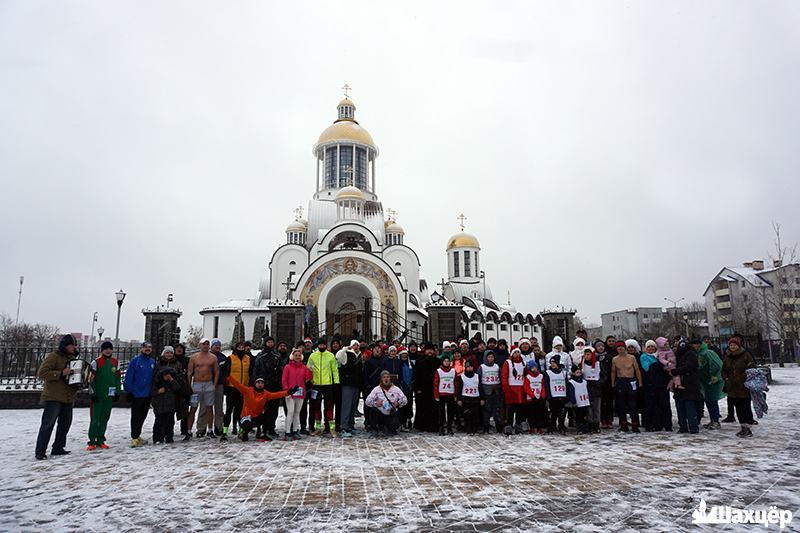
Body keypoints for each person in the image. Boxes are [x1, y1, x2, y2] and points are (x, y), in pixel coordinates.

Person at [35, 334, 79, 460]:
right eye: (71, 345)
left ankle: (58, 447)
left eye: (75, 345)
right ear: (65, 345)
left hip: (68, 397)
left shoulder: (73, 359)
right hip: (53, 396)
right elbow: (42, 373)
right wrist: (60, 373)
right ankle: (40, 451)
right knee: (48, 424)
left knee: (65, 424)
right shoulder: (54, 356)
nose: (73, 347)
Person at [225, 374, 295, 441]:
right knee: (247, 426)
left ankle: (263, 433)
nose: (260, 384)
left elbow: (276, 394)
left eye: (262, 383)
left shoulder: (266, 394)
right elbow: (237, 384)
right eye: (258, 383)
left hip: (257, 417)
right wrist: (228, 376)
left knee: (270, 414)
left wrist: (288, 392)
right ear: (255, 384)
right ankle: (243, 433)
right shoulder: (247, 391)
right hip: (246, 417)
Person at [86, 341, 121, 450]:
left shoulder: (115, 362)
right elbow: (91, 379)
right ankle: (91, 441)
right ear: (102, 350)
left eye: (110, 348)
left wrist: (117, 392)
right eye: (106, 348)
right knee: (95, 419)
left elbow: (117, 379)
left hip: (109, 396)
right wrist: (93, 393)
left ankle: (100, 440)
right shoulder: (96, 362)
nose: (108, 350)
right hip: (98, 395)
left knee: (104, 419)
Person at [722, 335, 756, 437]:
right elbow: (723, 370)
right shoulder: (727, 356)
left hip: (743, 386)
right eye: (731, 345)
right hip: (732, 386)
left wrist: (747, 379)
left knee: (744, 407)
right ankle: (743, 427)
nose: (732, 347)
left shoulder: (745, 355)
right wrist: (726, 378)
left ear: (738, 345)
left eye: (734, 345)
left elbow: (752, 369)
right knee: (738, 408)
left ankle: (747, 428)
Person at [254, 338, 288, 439]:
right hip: (263, 386)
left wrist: (278, 381)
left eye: (272, 342)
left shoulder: (277, 356)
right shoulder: (260, 355)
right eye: (268, 342)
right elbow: (256, 369)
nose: (270, 344)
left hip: (275, 386)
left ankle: (271, 427)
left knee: (273, 409)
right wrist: (257, 382)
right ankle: (260, 428)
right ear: (265, 343)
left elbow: (281, 370)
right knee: (261, 408)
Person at [186, 338, 220, 440]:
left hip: (208, 384)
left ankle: (210, 430)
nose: (206, 346)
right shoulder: (194, 357)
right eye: (204, 344)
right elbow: (189, 372)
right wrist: (190, 385)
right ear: (200, 345)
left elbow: (217, 371)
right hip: (197, 385)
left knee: (209, 408)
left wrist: (214, 385)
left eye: (207, 344)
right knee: (193, 408)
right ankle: (188, 431)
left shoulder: (213, 357)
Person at [124, 342, 157, 447]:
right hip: (137, 393)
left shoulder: (152, 362)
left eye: (150, 347)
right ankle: (134, 436)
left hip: (147, 394)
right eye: (146, 347)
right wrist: (128, 390)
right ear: (142, 349)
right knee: (136, 416)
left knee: (143, 415)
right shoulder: (135, 361)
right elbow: (129, 376)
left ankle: (137, 435)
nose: (148, 349)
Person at [308, 338, 339, 437]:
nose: (321, 346)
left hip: (328, 385)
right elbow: (308, 369)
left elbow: (334, 369)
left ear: (326, 346)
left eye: (323, 345)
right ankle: (318, 428)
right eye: (320, 345)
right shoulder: (313, 356)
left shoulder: (330, 356)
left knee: (329, 407)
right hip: (316, 385)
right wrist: (310, 380)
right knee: (316, 407)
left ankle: (331, 428)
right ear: (317, 345)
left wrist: (336, 382)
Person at [151, 346, 182, 444]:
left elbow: (178, 385)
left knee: (170, 420)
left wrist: (171, 379)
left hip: (170, 398)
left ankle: (169, 437)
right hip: (160, 398)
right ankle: (157, 437)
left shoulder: (177, 364)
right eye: (167, 353)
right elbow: (154, 381)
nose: (169, 355)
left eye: (171, 353)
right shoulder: (158, 364)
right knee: (159, 420)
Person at [223, 340, 253, 441]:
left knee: (240, 411)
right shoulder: (230, 358)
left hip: (243, 389)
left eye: (242, 347)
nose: (241, 349)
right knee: (229, 411)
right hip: (232, 388)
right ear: (235, 348)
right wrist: (226, 387)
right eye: (239, 347)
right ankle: (225, 432)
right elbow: (226, 374)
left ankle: (241, 431)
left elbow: (250, 373)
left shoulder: (248, 359)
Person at [670, 340, 701, 434]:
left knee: (690, 407)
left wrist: (675, 371)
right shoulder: (676, 355)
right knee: (680, 408)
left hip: (689, 385)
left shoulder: (691, 354)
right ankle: (683, 427)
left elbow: (689, 366)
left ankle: (693, 427)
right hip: (679, 386)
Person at [640, 340, 672, 432]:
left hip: (662, 385)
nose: (650, 348)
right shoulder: (644, 357)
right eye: (648, 347)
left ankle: (667, 425)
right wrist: (661, 364)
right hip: (651, 385)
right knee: (651, 406)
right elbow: (648, 368)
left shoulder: (660, 355)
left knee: (665, 405)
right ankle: (651, 425)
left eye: (652, 347)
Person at [611, 341, 642, 433]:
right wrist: (613, 383)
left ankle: (635, 424)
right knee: (621, 404)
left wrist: (640, 382)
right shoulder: (615, 359)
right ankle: (623, 423)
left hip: (631, 380)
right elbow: (613, 371)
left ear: (625, 348)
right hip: (621, 381)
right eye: (618, 348)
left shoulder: (632, 358)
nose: (620, 349)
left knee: (632, 403)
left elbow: (637, 370)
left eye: (622, 347)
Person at [694, 339, 725, 430]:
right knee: (708, 400)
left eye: (695, 345)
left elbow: (716, 365)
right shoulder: (698, 354)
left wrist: (714, 376)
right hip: (705, 381)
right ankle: (713, 420)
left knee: (712, 400)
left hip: (712, 381)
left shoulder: (707, 353)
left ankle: (715, 421)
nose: (694, 347)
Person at [365, 370, 408, 435]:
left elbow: (405, 399)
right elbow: (367, 401)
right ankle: (376, 428)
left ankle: (391, 427)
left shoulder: (396, 389)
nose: (386, 379)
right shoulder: (377, 389)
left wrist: (398, 403)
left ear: (390, 378)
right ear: (381, 379)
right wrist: (375, 403)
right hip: (380, 414)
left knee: (399, 413)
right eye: (384, 377)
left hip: (391, 413)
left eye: (387, 377)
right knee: (373, 411)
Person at [282, 348, 312, 440]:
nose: (297, 357)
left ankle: (295, 430)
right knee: (290, 411)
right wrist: (286, 391)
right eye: (296, 355)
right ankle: (287, 431)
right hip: (290, 393)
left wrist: (310, 371)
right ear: (292, 356)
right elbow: (284, 380)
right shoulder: (287, 367)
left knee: (297, 412)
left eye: (299, 355)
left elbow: (308, 378)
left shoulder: (304, 367)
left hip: (300, 393)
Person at [336, 340, 363, 438]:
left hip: (356, 384)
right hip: (347, 383)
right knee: (346, 406)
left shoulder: (359, 355)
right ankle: (344, 426)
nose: (356, 347)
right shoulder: (346, 354)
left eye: (357, 345)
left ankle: (351, 425)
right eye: (354, 345)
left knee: (353, 406)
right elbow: (338, 357)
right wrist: (344, 349)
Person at [413, 342, 439, 432]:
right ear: (425, 351)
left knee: (434, 408)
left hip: (434, 389)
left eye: (431, 350)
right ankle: (421, 426)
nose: (430, 352)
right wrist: (417, 388)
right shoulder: (419, 361)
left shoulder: (438, 361)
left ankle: (433, 426)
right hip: (423, 389)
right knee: (422, 408)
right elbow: (416, 376)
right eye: (428, 350)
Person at [501, 347, 526, 435]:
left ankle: (518, 425)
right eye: (515, 353)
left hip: (521, 389)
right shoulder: (507, 363)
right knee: (510, 408)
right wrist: (506, 389)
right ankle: (509, 425)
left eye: (518, 352)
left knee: (520, 408)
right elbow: (504, 377)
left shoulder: (524, 363)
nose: (517, 354)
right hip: (511, 389)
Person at [456, 359, 482, 434]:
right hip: (465, 398)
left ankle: (474, 428)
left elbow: (480, 387)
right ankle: (468, 428)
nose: (469, 368)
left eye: (471, 367)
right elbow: (459, 389)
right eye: (468, 367)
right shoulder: (462, 377)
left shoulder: (477, 376)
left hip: (475, 398)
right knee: (467, 415)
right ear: (465, 368)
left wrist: (482, 398)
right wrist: (459, 399)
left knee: (475, 415)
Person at [478, 351, 502, 433]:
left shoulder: (497, 366)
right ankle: (486, 426)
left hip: (496, 390)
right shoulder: (482, 367)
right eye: (489, 357)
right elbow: (479, 379)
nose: (491, 359)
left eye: (492, 357)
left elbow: (500, 377)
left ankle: (498, 426)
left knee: (496, 410)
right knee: (486, 410)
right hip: (486, 391)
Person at [544, 356, 568, 434]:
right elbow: (546, 385)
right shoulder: (548, 372)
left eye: (554, 363)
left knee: (561, 413)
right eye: (551, 363)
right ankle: (552, 426)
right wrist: (548, 396)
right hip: (553, 396)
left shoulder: (563, 373)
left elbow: (566, 384)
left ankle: (561, 426)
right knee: (553, 413)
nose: (553, 364)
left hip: (562, 395)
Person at [523, 357, 547, 434]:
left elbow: (543, 387)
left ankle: (539, 427)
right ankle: (532, 427)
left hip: (539, 398)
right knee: (531, 414)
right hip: (531, 399)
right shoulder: (528, 377)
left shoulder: (541, 376)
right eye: (532, 367)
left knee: (540, 413)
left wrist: (542, 396)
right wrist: (532, 396)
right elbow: (526, 388)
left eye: (535, 367)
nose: (534, 369)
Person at [433, 354, 456, 435]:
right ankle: (441, 427)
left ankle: (449, 427)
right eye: (445, 361)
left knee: (450, 412)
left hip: (450, 393)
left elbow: (455, 383)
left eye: (448, 361)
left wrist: (455, 395)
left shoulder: (453, 371)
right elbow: (436, 383)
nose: (446, 363)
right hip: (442, 394)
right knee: (441, 412)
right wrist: (436, 395)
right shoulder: (439, 371)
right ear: (442, 362)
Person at [172, 343, 192, 438]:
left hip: (184, 387)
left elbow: (190, 372)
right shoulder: (171, 360)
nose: (179, 350)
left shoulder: (187, 360)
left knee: (184, 409)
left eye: (181, 348)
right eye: (177, 348)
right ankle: (168, 428)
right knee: (171, 409)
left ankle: (184, 429)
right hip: (172, 387)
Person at [581, 346, 602, 433]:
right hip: (586, 387)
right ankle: (590, 424)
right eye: (585, 354)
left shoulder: (597, 364)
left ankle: (596, 424)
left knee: (596, 408)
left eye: (589, 354)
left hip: (596, 387)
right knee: (588, 408)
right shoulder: (582, 364)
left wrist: (599, 383)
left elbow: (603, 375)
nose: (587, 356)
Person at [595, 340, 615, 429]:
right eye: (598, 346)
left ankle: (609, 419)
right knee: (601, 402)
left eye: (602, 346)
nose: (600, 348)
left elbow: (612, 369)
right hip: (598, 383)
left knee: (609, 401)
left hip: (608, 382)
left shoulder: (609, 357)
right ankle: (602, 419)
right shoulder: (594, 357)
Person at [567, 365, 592, 434]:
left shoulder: (585, 382)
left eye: (579, 373)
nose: (578, 374)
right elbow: (571, 392)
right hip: (578, 403)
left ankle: (585, 428)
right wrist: (573, 400)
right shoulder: (571, 382)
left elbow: (588, 391)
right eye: (577, 373)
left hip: (585, 401)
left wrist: (590, 399)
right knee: (578, 416)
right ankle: (579, 428)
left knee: (585, 416)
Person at [398, 348, 414, 430]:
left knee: (409, 404)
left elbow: (413, 374)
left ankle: (409, 419)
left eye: (406, 355)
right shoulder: (399, 364)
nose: (404, 356)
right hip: (402, 387)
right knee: (402, 405)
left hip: (409, 387)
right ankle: (402, 421)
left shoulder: (410, 364)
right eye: (403, 355)